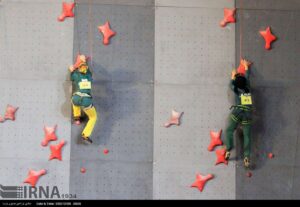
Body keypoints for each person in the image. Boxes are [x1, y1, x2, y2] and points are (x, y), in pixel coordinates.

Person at [225, 59, 252, 168]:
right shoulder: (248, 88)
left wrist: (232, 75)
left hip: (237, 113)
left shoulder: (235, 89)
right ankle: (247, 157)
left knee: (229, 130)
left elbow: (231, 84)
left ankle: (228, 149)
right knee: (247, 136)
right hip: (247, 115)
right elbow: (247, 78)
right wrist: (246, 67)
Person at [69, 55, 97, 144]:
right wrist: (83, 60)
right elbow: (86, 69)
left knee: (74, 101)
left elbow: (71, 69)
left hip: (76, 98)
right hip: (86, 101)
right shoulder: (89, 75)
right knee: (93, 117)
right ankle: (85, 134)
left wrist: (75, 65)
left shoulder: (76, 75)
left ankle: (77, 118)